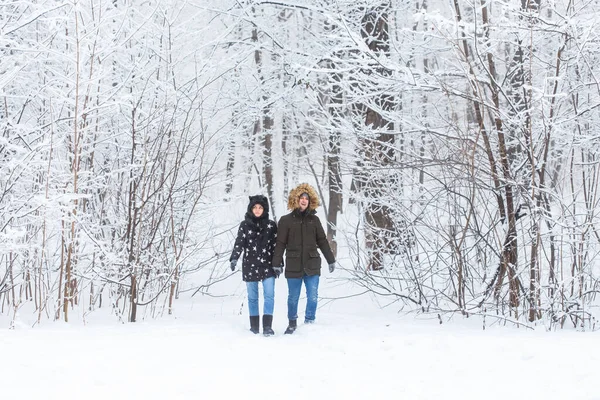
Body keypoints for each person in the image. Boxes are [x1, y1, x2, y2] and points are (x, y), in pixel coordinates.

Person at [272, 183, 336, 334]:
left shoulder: (314, 220)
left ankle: (309, 322)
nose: (304, 200)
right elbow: (280, 243)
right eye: (301, 197)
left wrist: (330, 259)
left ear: (310, 201)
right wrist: (276, 262)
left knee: (313, 296)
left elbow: (322, 241)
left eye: (306, 198)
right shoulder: (285, 220)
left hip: (312, 264)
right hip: (293, 265)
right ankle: (292, 323)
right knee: (293, 297)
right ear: (296, 200)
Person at [230, 195, 281, 336]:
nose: (257, 210)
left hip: (268, 265)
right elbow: (239, 242)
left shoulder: (271, 225)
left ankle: (267, 327)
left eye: (260, 207)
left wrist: (278, 264)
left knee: (269, 295)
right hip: (250, 264)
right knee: (253, 297)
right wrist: (234, 258)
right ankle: (254, 327)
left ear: (264, 209)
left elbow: (277, 246)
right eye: (255, 207)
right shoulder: (244, 225)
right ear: (251, 209)